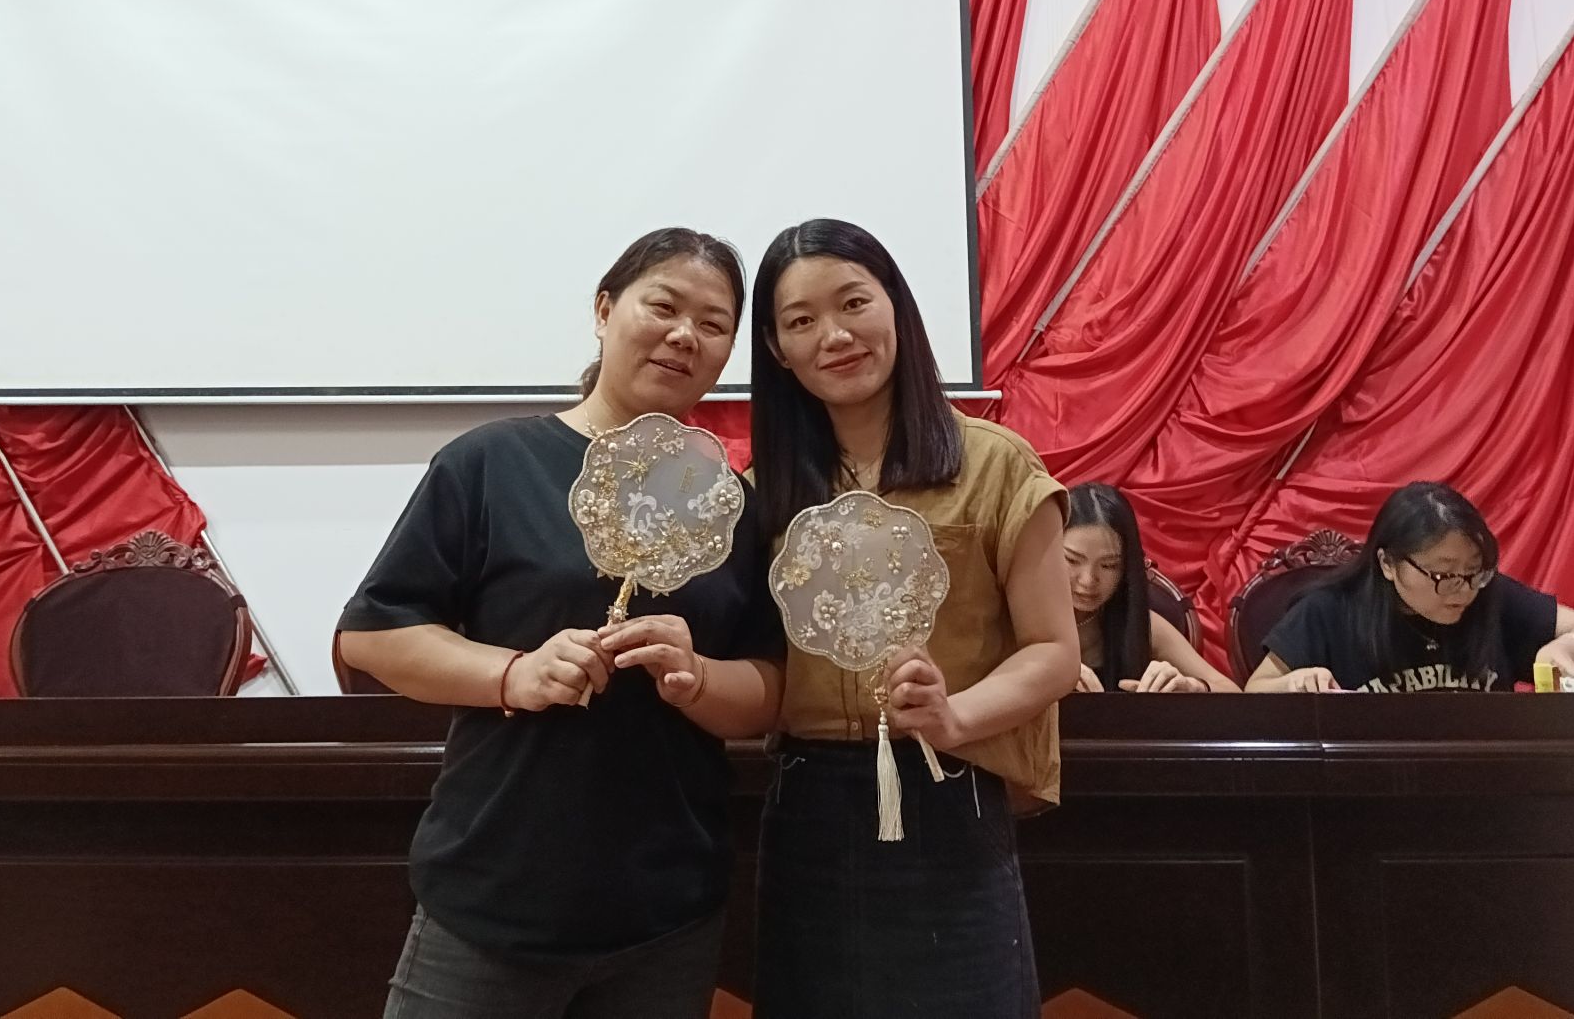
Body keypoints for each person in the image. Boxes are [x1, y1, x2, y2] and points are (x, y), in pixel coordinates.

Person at [337, 228, 785, 1019]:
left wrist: (698, 679)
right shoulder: (490, 464)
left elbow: (768, 690)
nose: (685, 335)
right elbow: (372, 637)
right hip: (495, 897)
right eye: (664, 306)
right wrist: (514, 674)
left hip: (667, 910)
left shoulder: (732, 505)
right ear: (605, 310)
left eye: (714, 324)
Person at [747, 218, 1080, 1019]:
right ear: (778, 350)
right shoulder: (763, 491)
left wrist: (953, 715)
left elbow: (1053, 651)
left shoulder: (996, 465)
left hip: (949, 789)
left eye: (853, 302)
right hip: (807, 801)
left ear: (896, 305)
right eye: (801, 321)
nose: (835, 335)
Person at [1245, 481, 1574, 694]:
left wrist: (1568, 648)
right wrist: (1293, 683)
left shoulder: (1489, 596)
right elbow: (1256, 690)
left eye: (1474, 571)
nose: (1463, 590)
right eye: (1444, 575)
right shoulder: (1331, 609)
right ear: (1388, 564)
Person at [1064, 483, 1237, 694]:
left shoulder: (1138, 621)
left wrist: (1193, 687)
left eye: (1109, 565)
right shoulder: (1026, 618)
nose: (1088, 580)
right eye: (1072, 560)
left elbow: (1232, 692)